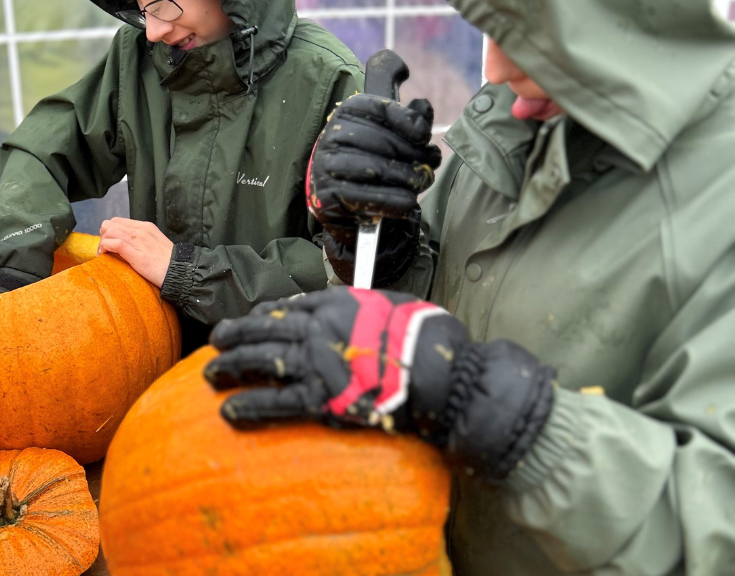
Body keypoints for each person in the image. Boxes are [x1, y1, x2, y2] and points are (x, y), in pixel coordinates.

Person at [205, 0, 735, 574]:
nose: (497, 66)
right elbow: (441, 303)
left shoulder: (718, 191)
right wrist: (380, 248)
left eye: (533, 29)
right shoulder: (514, 120)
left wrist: (510, 421)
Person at [0, 0, 363, 352]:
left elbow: (350, 272)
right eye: (143, 8)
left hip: (282, 373)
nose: (154, 29)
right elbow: (43, 151)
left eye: (163, 4)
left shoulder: (331, 82)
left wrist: (188, 273)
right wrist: (11, 266)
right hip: (156, 361)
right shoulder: (139, 53)